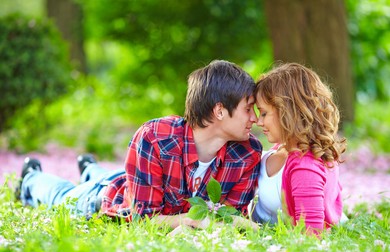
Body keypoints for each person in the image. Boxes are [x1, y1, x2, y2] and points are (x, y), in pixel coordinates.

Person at [18, 59, 262, 231]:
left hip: (135, 181)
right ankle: (31, 178)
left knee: (111, 176)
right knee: (63, 196)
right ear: (219, 110)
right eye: (248, 109)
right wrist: (192, 221)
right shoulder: (155, 138)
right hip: (113, 198)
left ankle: (90, 168)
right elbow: (142, 220)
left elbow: (229, 218)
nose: (255, 118)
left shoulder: (247, 152)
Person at [250, 62, 347, 235]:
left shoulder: (305, 167)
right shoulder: (285, 148)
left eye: (264, 113)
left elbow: (311, 236)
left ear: (288, 111)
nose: (259, 122)